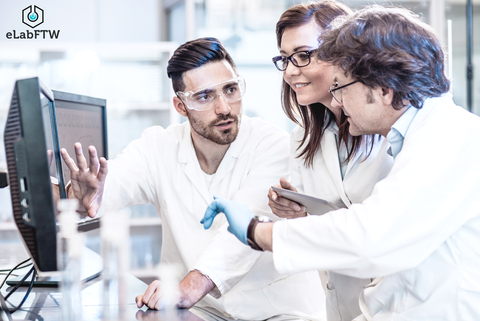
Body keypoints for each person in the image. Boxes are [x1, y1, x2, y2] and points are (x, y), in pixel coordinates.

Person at [202, 6, 480, 320]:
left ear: (384, 89)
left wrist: (257, 232)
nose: (337, 100)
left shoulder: (450, 138)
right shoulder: (414, 138)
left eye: (342, 87)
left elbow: (371, 237)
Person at [61, 38, 326, 320]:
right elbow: (113, 185)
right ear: (180, 105)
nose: (224, 107)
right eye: (205, 96)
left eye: (231, 90)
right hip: (202, 311)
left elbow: (243, 235)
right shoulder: (158, 146)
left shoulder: (272, 144)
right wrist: (85, 196)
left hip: (277, 312)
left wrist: (185, 290)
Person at [268, 2, 393, 320]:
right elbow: (322, 235)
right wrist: (296, 215)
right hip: (343, 307)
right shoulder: (303, 137)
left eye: (303, 55)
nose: (291, 70)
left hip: (397, 304)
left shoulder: (390, 128)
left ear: (343, 51)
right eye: (285, 59)